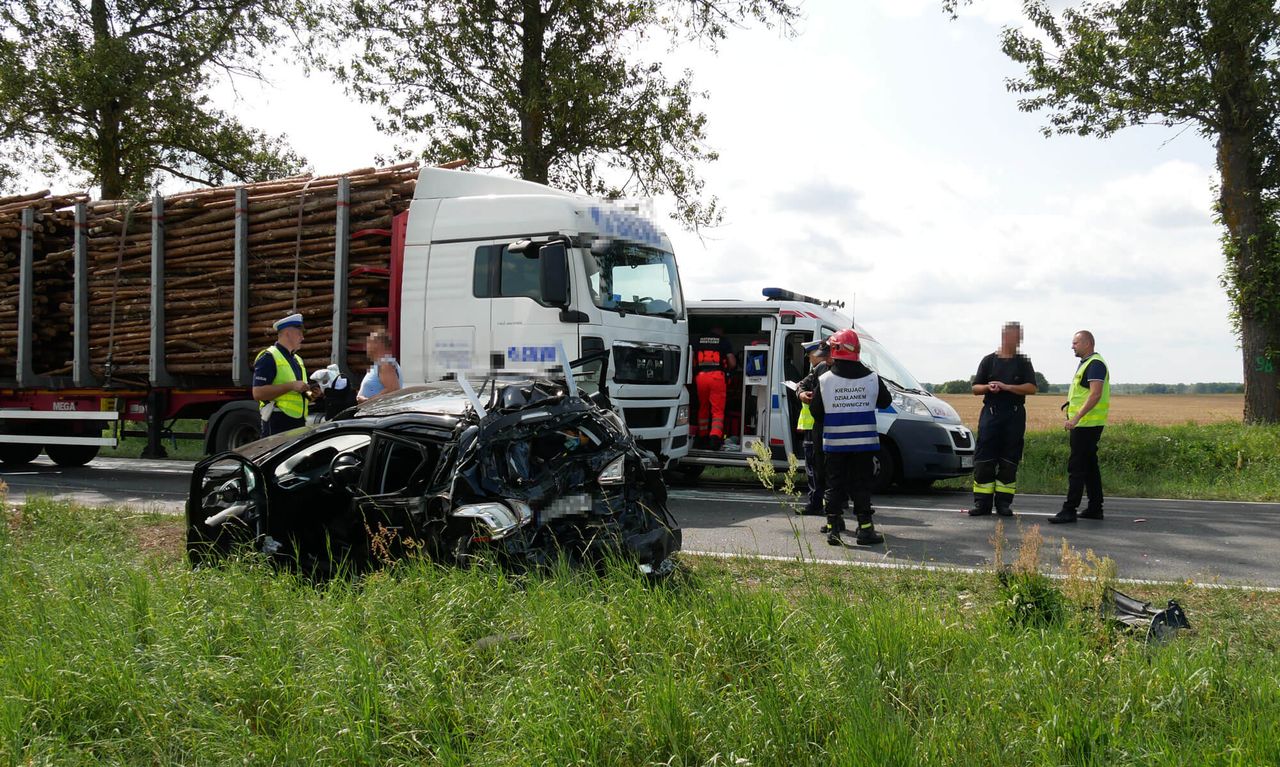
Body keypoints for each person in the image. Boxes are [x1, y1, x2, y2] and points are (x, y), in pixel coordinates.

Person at [808, 328, 892, 546]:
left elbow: (816, 412)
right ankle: (865, 530)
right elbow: (885, 401)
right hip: (863, 444)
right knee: (861, 486)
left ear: (834, 349)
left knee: (834, 486)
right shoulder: (872, 378)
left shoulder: (825, 379)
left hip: (835, 445)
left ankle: (833, 529)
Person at [968, 322, 1038, 517]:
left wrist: (1007, 387)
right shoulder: (988, 361)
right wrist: (988, 387)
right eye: (1014, 336)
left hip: (1014, 414)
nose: (1017, 340)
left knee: (1009, 460)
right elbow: (975, 388)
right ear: (1004, 336)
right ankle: (982, 504)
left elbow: (1032, 388)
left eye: (1019, 337)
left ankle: (1003, 504)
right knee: (984, 459)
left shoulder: (1023, 362)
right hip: (991, 413)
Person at [1049, 330, 1111, 524]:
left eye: (1075, 343)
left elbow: (1095, 394)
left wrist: (1075, 418)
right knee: (1090, 466)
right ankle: (1095, 508)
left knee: (1076, 467)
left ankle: (1069, 510)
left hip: (1086, 425)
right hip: (1087, 423)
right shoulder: (1087, 363)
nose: (1072, 346)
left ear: (1087, 343)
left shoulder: (1095, 364)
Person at [251, 313, 318, 437]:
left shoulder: (297, 359)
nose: (302, 338)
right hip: (277, 423)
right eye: (300, 333)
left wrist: (311, 395)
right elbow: (258, 393)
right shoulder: (269, 357)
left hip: (297, 423)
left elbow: (297, 394)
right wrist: (291, 386)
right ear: (288, 333)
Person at [795, 338, 831, 519]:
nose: (810, 358)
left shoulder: (825, 369)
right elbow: (800, 385)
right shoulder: (816, 370)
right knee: (817, 468)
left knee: (817, 468)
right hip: (813, 426)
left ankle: (819, 503)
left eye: (811, 355)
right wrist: (801, 393)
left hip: (819, 427)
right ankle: (823, 503)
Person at [691, 326, 736, 449]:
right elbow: (732, 363)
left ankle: (702, 436)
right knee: (717, 410)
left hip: (701, 377)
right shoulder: (723, 341)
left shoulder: (697, 340)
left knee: (703, 407)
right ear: (719, 330)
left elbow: (690, 359)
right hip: (717, 377)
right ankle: (715, 438)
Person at [357, 329, 403, 403]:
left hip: (380, 412)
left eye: (369, 342)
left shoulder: (385, 364)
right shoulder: (381, 364)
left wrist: (368, 401)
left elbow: (393, 390)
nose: (366, 346)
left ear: (378, 344)